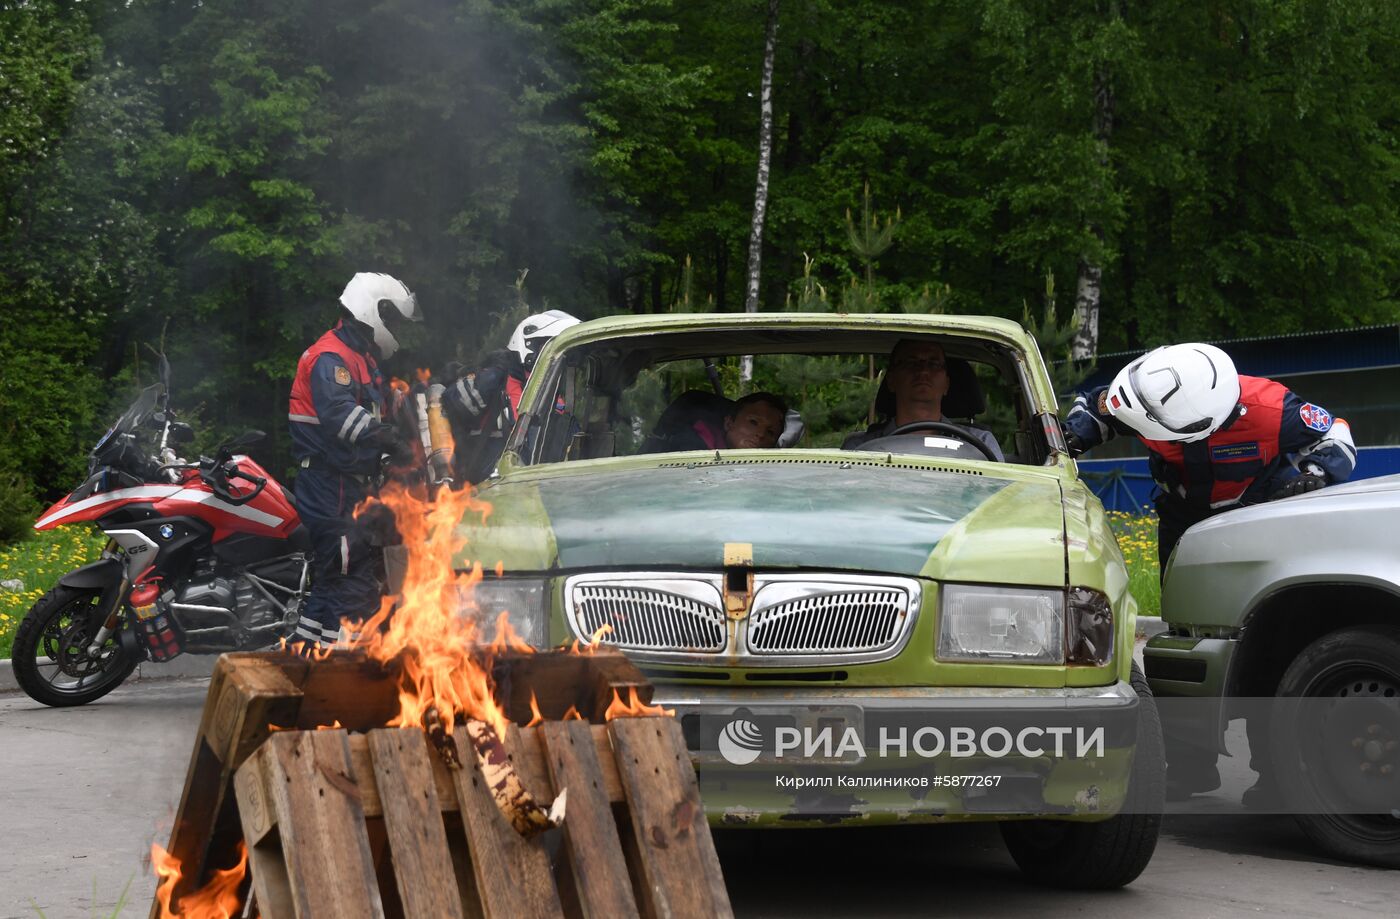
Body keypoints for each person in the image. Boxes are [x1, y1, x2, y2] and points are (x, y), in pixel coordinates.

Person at [1063, 341, 1356, 804]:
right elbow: (1098, 410)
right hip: (1183, 519)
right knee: (1184, 642)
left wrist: (1317, 472)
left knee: (1268, 640)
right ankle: (1188, 765)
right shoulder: (1147, 392)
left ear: (1204, 422)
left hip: (1258, 521)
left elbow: (1337, 433)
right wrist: (1071, 436)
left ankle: (1275, 777)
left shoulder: (1271, 407)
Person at [287, 272, 422, 648]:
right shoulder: (332, 358)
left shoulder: (360, 356)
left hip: (345, 482)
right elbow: (340, 416)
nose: (394, 327)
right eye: (391, 318)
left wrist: (411, 399)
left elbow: (378, 403)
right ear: (372, 311)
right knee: (351, 581)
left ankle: (305, 660)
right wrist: (388, 438)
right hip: (331, 485)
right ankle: (340, 668)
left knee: (335, 578)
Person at [441, 309, 580, 483]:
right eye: (547, 347)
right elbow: (449, 401)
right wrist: (489, 378)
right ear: (529, 347)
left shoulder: (555, 399)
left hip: (540, 490)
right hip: (486, 494)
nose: (556, 357)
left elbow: (574, 449)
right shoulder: (497, 382)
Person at [842, 339, 1005, 460]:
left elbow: (998, 499)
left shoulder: (981, 443)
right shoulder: (860, 447)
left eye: (933, 364)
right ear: (891, 380)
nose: (923, 371)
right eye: (911, 362)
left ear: (947, 384)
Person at [667, 391, 789, 451]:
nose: (761, 434)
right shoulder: (690, 450)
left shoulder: (774, 471)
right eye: (753, 422)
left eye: (770, 432)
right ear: (729, 423)